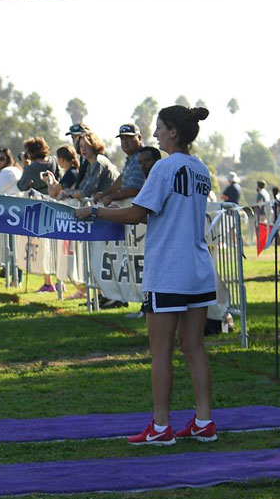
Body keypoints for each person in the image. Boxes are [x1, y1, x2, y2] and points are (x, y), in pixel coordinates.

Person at [75, 106, 217, 445]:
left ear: (173, 132)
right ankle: (203, 420)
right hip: (198, 268)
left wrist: (95, 211)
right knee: (195, 348)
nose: (155, 134)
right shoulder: (201, 169)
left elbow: (138, 213)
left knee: (161, 352)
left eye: (159, 127)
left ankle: (161, 426)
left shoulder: (165, 167)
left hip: (169, 269)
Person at [94, 124, 147, 206]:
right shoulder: (131, 158)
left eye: (129, 138)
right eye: (122, 138)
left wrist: (111, 197)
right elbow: (120, 181)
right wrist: (104, 194)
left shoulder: (143, 157)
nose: (125, 142)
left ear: (139, 138)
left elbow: (134, 189)